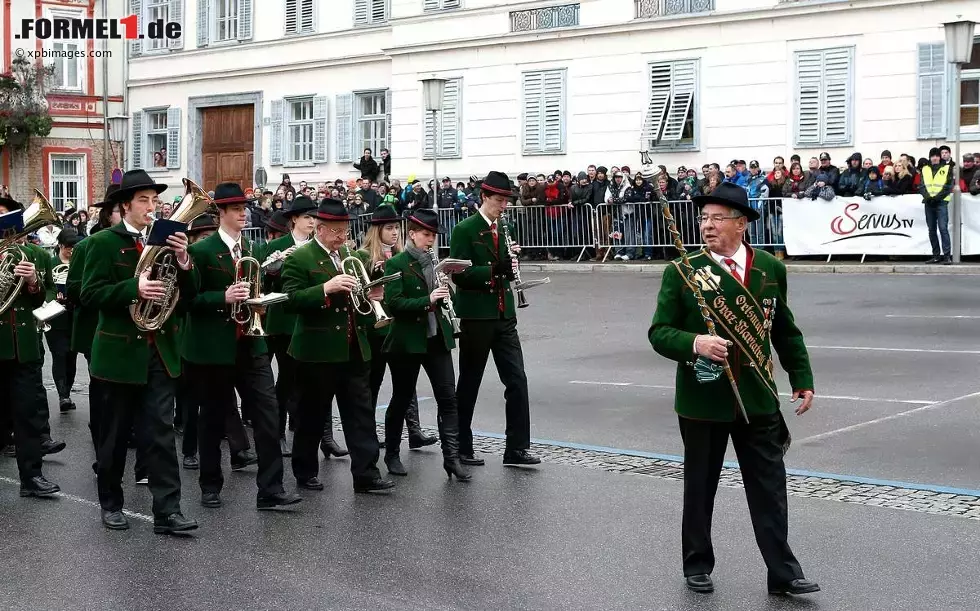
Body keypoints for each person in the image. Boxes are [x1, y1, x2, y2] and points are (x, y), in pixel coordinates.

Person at [648, 182, 819, 596]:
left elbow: (784, 329)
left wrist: (801, 377)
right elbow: (658, 332)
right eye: (703, 218)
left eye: (717, 218)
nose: (707, 225)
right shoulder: (683, 270)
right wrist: (695, 343)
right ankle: (697, 564)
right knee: (700, 485)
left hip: (757, 396)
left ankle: (783, 572)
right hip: (703, 397)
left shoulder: (770, 268)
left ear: (741, 224)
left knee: (770, 488)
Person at [79, 169, 198, 535]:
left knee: (161, 434)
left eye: (155, 200)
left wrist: (182, 262)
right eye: (144, 200)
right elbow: (90, 294)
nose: (152, 206)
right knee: (114, 435)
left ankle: (168, 511)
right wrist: (135, 288)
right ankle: (111, 503)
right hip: (118, 354)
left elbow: (188, 296)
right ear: (125, 205)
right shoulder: (102, 243)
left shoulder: (166, 242)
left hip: (159, 350)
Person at [182, 182, 302, 510]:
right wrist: (222, 297)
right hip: (214, 347)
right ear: (220, 213)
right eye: (235, 209)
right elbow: (188, 300)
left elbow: (259, 286)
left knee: (267, 415)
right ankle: (210, 485)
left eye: (244, 208)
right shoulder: (201, 252)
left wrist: (261, 301)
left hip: (251, 343)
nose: (242, 213)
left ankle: (271, 489)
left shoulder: (251, 247)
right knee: (213, 417)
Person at [280, 197, 394, 494]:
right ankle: (305, 471)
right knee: (312, 415)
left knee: (360, 414)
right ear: (319, 229)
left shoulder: (348, 254)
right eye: (336, 231)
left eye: (345, 230)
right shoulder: (299, 258)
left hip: (353, 346)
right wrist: (324, 289)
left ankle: (366, 474)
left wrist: (373, 295)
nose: (342, 237)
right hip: (317, 350)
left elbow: (358, 298)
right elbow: (290, 300)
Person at [449, 171, 540, 467]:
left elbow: (503, 269)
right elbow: (459, 275)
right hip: (477, 316)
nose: (503, 205)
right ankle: (461, 445)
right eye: (499, 200)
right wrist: (494, 271)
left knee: (517, 380)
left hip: (504, 314)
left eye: (506, 201)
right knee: (470, 381)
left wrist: (509, 265)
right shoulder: (465, 229)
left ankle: (516, 448)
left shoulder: (504, 226)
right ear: (485, 198)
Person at [381, 209, 471, 480]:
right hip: (407, 340)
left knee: (448, 399)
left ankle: (452, 458)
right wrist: (427, 299)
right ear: (412, 234)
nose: (430, 240)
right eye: (426, 235)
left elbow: (445, 300)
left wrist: (446, 288)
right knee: (401, 398)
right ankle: (392, 453)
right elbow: (393, 304)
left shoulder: (436, 263)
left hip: (436, 339)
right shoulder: (397, 263)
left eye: (433, 235)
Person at [358, 204, 437, 450]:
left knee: (406, 384)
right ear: (377, 230)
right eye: (389, 228)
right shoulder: (363, 256)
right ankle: (368, 433)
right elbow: (359, 293)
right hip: (377, 327)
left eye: (397, 228)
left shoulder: (404, 255)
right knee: (373, 382)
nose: (394, 233)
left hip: (400, 327)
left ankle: (414, 431)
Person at [0, 194, 62, 498]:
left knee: (27, 413)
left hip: (24, 346)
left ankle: (32, 477)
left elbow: (48, 295)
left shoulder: (35, 255)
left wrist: (35, 282)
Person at [260, 195, 326, 458]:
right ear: (294, 220)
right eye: (307, 217)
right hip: (281, 320)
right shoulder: (279, 245)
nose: (312, 221)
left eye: (314, 217)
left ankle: (301, 429)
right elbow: (264, 284)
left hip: (307, 319)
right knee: (285, 380)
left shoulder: (316, 247)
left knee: (305, 380)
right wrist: (276, 265)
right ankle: (276, 433)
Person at [173, 213, 219, 471]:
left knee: (211, 399)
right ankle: (189, 449)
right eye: (204, 237)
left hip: (212, 333)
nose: (209, 240)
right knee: (190, 400)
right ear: (192, 240)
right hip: (186, 332)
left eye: (212, 236)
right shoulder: (188, 259)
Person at [46, 228, 83, 412]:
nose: (71, 251)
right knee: (59, 355)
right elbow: (46, 287)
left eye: (74, 247)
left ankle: (67, 391)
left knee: (72, 356)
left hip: (74, 316)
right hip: (55, 317)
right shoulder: (51, 263)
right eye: (69, 247)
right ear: (60, 245)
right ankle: (63, 396)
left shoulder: (78, 263)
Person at [918, 147, 954, 265]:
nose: (934, 158)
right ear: (930, 157)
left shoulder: (947, 168)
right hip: (929, 203)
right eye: (932, 156)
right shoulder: (925, 169)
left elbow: (948, 186)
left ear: (940, 157)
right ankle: (936, 255)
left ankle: (947, 256)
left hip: (941, 202)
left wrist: (936, 198)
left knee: (943, 229)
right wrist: (928, 197)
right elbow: (922, 186)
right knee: (932, 230)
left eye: (936, 155)